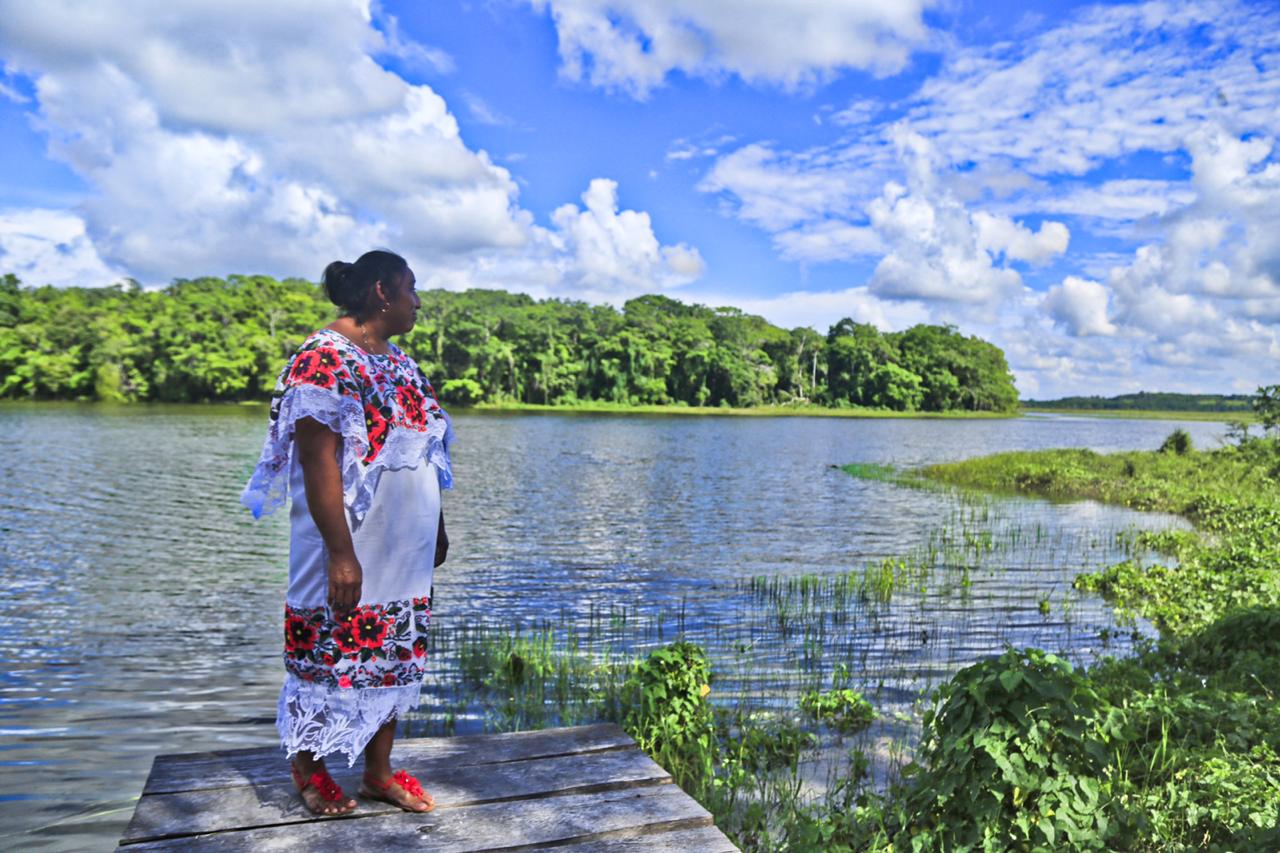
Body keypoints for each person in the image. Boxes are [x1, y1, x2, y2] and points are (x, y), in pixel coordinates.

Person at [241, 249, 454, 815]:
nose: (417, 300)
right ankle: (308, 771)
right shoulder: (322, 360)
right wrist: (341, 554)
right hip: (347, 546)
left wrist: (437, 526)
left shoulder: (403, 364)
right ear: (382, 292)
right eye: (412, 288)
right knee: (327, 649)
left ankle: (377, 772)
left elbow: (425, 454)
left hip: (402, 551)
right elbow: (318, 462)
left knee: (391, 650)